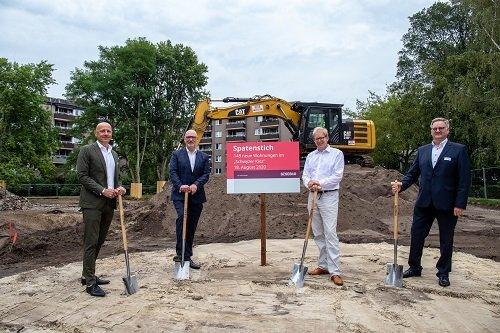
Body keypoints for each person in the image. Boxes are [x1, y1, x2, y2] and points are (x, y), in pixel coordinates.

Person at [391, 117, 470, 287]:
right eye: (435, 128)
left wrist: (459, 204)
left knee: (446, 239)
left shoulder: (458, 150)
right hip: (424, 202)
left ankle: (443, 272)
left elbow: (464, 180)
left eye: (441, 128)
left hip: (447, 204)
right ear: (431, 130)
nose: (438, 131)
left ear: (447, 130)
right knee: (417, 235)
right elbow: (412, 174)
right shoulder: (423, 150)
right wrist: (401, 185)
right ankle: (414, 267)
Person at [77, 122, 126, 297]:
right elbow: (81, 176)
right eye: (102, 131)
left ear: (111, 133)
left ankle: (87, 274)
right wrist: (102, 190)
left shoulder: (113, 153)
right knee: (91, 241)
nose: (105, 133)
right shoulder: (87, 150)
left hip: (109, 204)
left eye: (108, 131)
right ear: (96, 133)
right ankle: (90, 283)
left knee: (99, 241)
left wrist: (121, 188)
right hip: (92, 203)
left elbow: (115, 179)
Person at [302, 127, 345, 286]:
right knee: (318, 232)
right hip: (313, 197)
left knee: (330, 232)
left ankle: (335, 271)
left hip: (329, 196)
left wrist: (320, 183)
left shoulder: (337, 154)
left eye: (322, 137)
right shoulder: (310, 156)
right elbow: (305, 174)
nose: (319, 140)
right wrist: (309, 183)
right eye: (316, 139)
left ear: (327, 138)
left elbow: (337, 176)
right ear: (314, 140)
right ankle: (323, 265)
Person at [169, 129, 211, 269]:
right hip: (180, 196)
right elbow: (173, 172)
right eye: (188, 137)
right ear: (184, 139)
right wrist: (180, 186)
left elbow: (206, 174)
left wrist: (195, 185)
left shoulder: (204, 157)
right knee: (182, 218)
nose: (191, 139)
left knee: (191, 226)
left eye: (193, 137)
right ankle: (180, 254)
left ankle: (187, 256)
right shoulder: (176, 155)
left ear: (196, 139)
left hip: (196, 196)